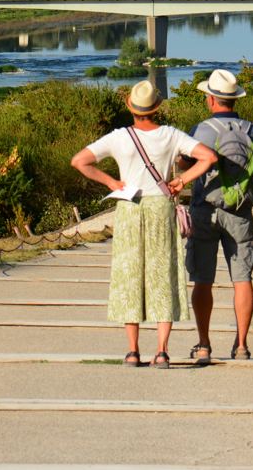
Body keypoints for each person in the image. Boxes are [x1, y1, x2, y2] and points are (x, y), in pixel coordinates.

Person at [71, 80, 217, 368]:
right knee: (163, 273)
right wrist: (181, 180)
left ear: (131, 107)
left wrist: (111, 181)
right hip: (160, 207)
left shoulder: (119, 137)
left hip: (129, 208)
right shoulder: (170, 135)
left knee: (129, 274)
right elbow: (208, 157)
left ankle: (132, 350)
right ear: (157, 108)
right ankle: (162, 351)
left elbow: (79, 161)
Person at [178, 68, 253, 364]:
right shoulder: (251, 129)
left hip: (206, 209)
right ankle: (241, 345)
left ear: (211, 99)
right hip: (240, 210)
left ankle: (203, 344)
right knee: (243, 279)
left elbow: (187, 158)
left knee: (203, 279)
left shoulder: (203, 130)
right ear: (234, 99)